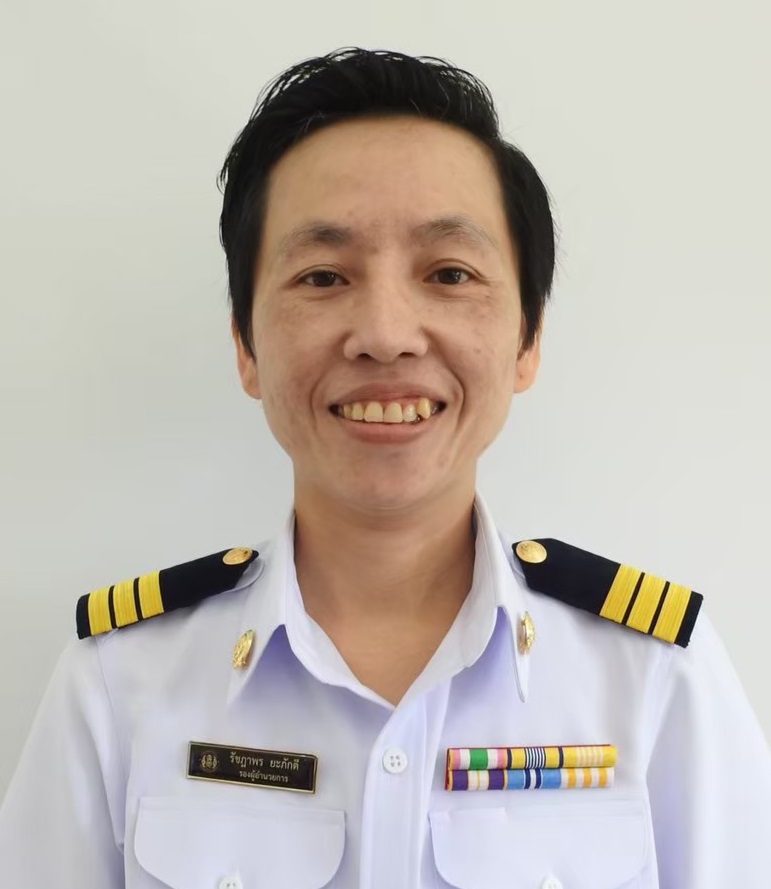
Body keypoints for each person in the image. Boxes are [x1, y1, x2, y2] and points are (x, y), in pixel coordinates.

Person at [1, 46, 769, 889]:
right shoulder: (119, 680)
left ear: (527, 338)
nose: (385, 334)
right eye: (323, 276)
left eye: (449, 273)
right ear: (245, 345)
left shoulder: (655, 677)